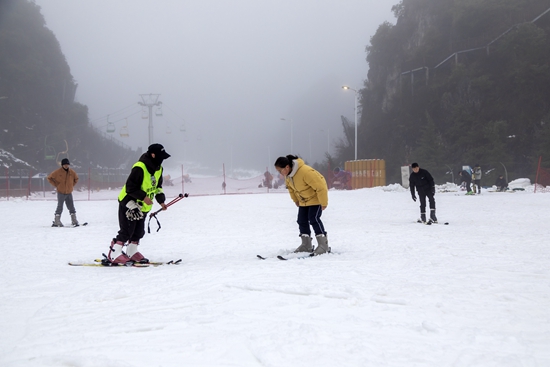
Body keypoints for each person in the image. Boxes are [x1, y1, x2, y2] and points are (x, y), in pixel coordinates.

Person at [106, 143, 171, 264]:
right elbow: (130, 187)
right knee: (126, 231)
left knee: (139, 231)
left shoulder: (159, 169)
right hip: (129, 203)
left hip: (143, 206)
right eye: (160, 157)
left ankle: (132, 251)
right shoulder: (139, 167)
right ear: (153, 155)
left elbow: (158, 187)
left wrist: (161, 201)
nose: (162, 160)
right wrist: (143, 197)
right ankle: (114, 253)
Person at [274, 154, 330, 255]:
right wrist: (295, 200)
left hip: (315, 200)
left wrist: (323, 202)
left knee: (314, 219)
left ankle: (323, 245)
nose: (280, 173)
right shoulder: (288, 176)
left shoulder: (305, 171)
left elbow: (321, 185)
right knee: (301, 220)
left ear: (287, 166)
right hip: (303, 202)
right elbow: (291, 189)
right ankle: (306, 245)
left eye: (280, 170)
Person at [47, 158, 80, 227]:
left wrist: (71, 186)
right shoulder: (57, 172)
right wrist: (57, 185)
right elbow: (49, 178)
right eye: (65, 164)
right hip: (61, 192)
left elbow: (76, 179)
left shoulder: (72, 172)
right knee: (60, 207)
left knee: (71, 207)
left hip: (69, 192)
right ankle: (57, 221)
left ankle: (74, 220)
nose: (66, 166)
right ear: (62, 165)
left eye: (67, 164)